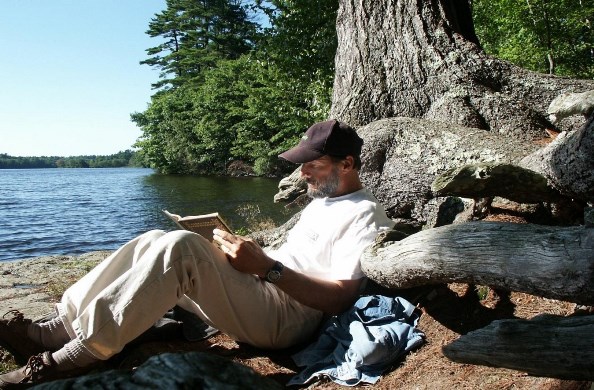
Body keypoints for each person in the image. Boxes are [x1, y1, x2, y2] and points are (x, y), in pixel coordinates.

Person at [0, 119, 395, 388]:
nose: (303, 173)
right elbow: (300, 257)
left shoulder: (364, 213)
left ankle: (68, 361)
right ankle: (51, 331)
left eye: (314, 164)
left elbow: (342, 296)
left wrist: (268, 269)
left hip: (291, 319)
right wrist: (246, 251)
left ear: (347, 163)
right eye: (302, 164)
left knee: (181, 249)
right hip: (268, 292)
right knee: (156, 238)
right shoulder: (322, 201)